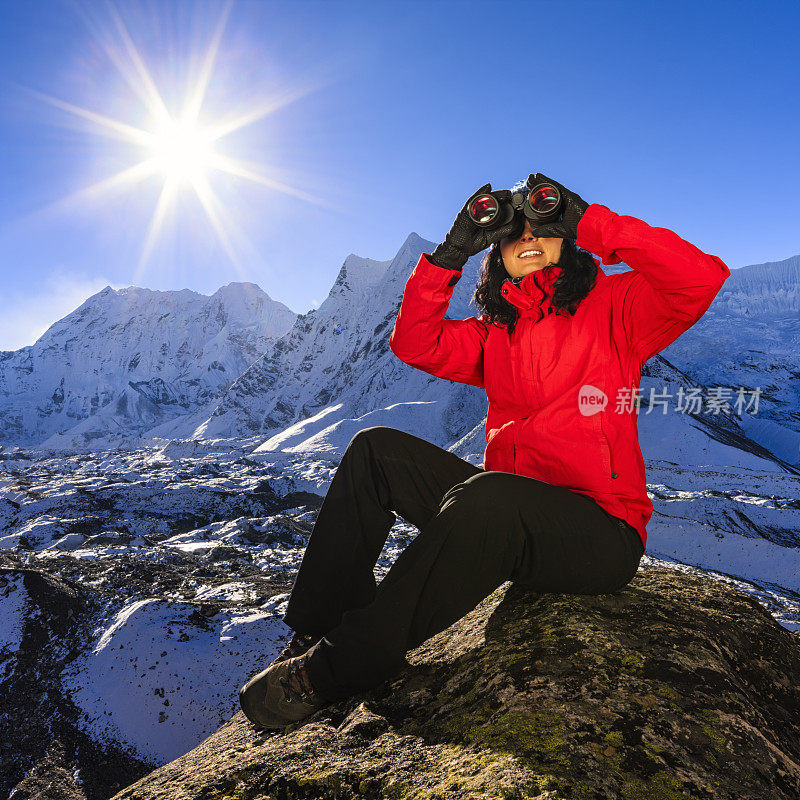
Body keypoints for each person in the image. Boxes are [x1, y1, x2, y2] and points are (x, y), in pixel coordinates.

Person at [238, 172, 731, 729]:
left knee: (490, 496)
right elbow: (414, 344)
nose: (527, 236)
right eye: (511, 230)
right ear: (493, 249)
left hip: (599, 532)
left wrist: (590, 218)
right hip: (507, 523)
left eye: (543, 222)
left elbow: (700, 278)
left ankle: (342, 665)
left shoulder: (618, 308)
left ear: (568, 236)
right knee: (375, 453)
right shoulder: (497, 331)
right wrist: (447, 257)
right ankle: (319, 626)